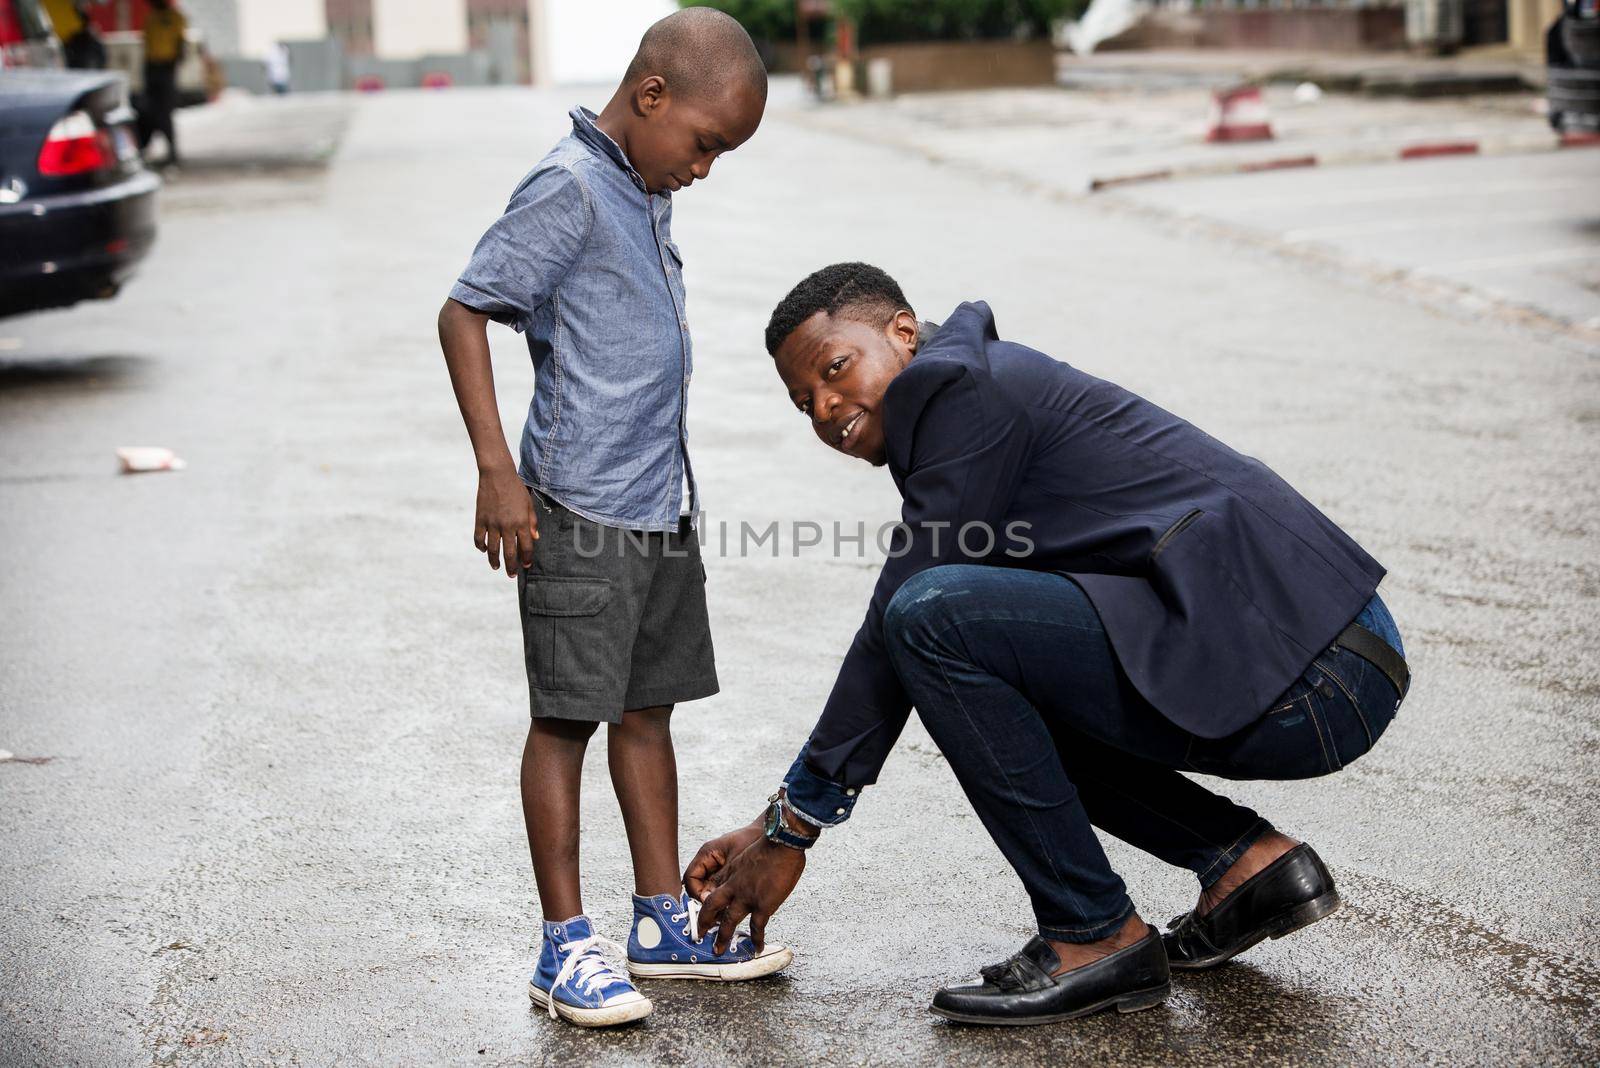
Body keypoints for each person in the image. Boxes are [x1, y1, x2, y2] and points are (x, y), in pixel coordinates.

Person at [685, 263, 1411, 1026]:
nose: (827, 407)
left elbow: (898, 619)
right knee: (982, 667)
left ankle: (1092, 932)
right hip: (1323, 659)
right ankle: (1244, 864)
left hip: (1319, 670)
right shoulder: (967, 395)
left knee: (931, 620)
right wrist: (784, 820)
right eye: (806, 403)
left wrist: (791, 826)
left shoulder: (958, 393)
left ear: (903, 332)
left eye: (835, 370)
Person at [436, 9, 780, 1029]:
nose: (706, 168)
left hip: (656, 502)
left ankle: (656, 921)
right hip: (578, 506)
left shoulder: (641, 182)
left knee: (647, 710)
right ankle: (563, 948)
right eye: (706, 145)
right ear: (650, 98)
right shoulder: (572, 187)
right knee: (566, 718)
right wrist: (498, 472)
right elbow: (466, 310)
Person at [139, 0, 187, 168]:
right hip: (152, 68)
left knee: (164, 112)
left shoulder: (175, 17)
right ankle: (144, 149)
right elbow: (147, 45)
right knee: (149, 111)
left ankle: (172, 152)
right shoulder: (151, 18)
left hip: (167, 68)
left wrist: (173, 65)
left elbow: (181, 44)